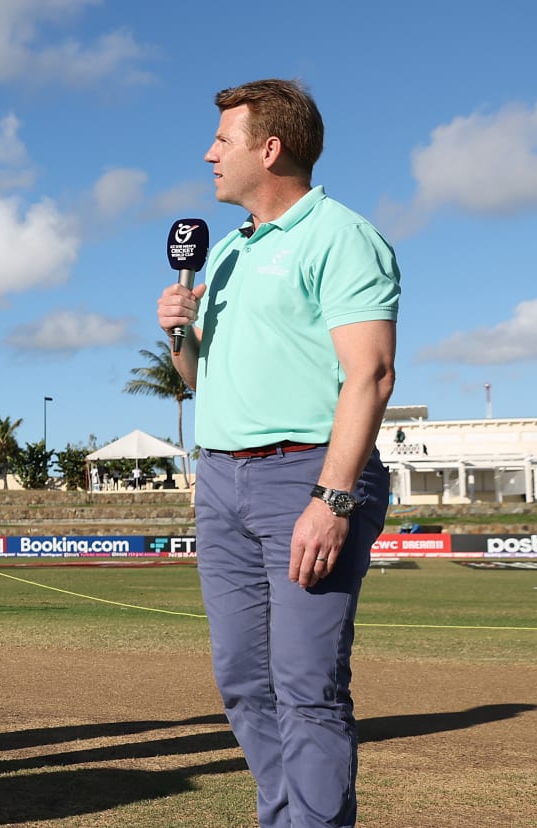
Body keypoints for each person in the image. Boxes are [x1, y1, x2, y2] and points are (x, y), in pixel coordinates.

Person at [155, 79, 397, 828]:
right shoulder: (225, 252)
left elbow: (372, 374)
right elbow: (202, 381)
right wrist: (178, 336)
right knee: (242, 684)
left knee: (306, 686)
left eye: (222, 140)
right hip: (221, 479)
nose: (208, 154)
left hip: (306, 477)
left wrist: (331, 500)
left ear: (270, 147)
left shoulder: (342, 235)